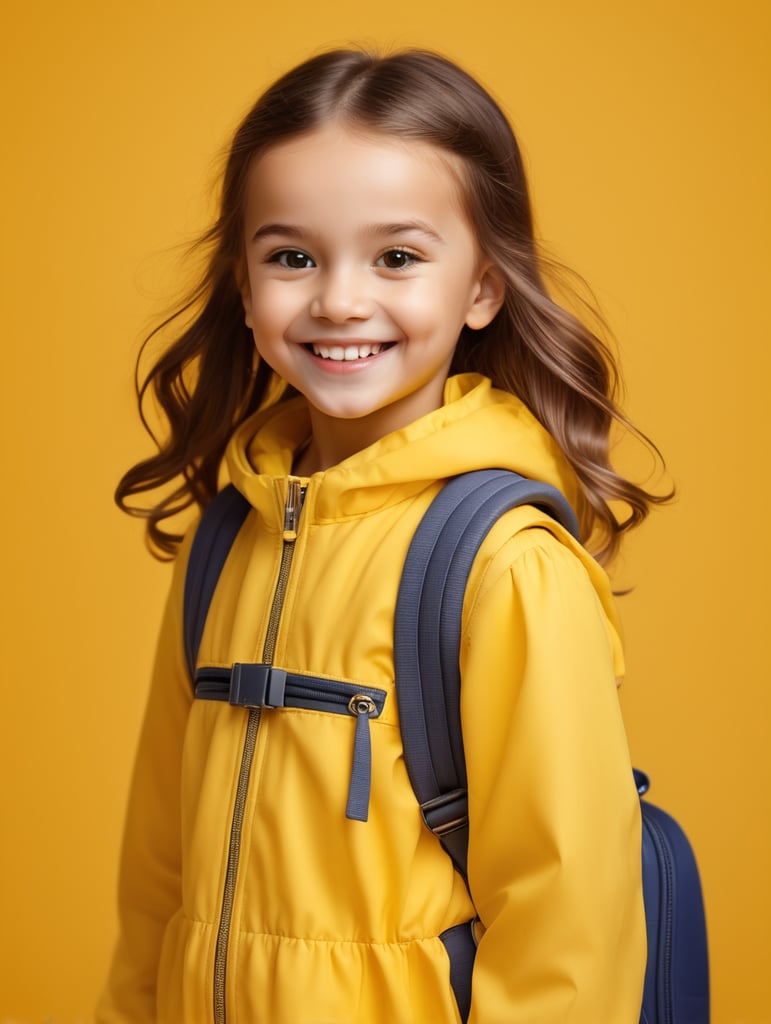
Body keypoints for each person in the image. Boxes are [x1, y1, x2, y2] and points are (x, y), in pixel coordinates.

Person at [98, 48, 667, 1024]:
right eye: (292, 256)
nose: (339, 300)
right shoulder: (224, 542)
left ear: (483, 288)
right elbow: (158, 877)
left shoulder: (505, 567)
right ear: (244, 285)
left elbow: (570, 936)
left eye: (396, 256)